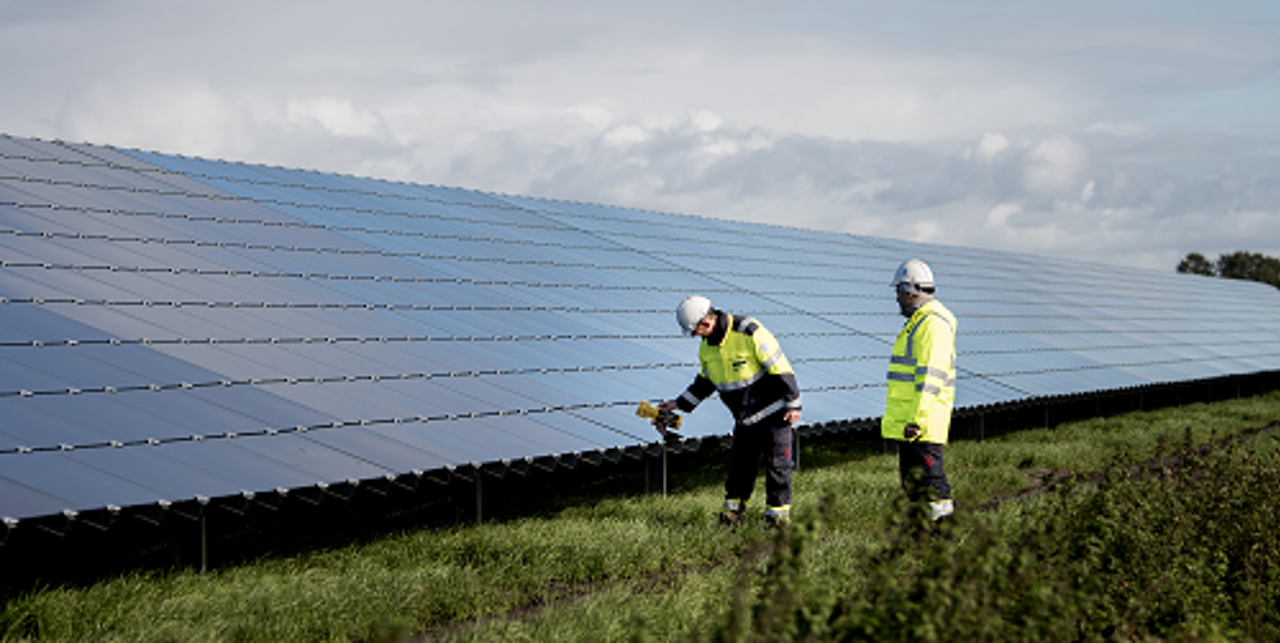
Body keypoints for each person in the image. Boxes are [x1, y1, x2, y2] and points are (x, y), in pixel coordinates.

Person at [655, 296, 802, 526]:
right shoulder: (706, 348)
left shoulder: (748, 331)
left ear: (705, 322)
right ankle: (733, 516)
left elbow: (779, 367)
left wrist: (793, 404)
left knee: (778, 468)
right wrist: (678, 404)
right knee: (740, 469)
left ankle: (777, 523)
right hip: (745, 420)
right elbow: (705, 383)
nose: (694, 336)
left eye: (694, 330)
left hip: (774, 414)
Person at [882, 258, 957, 521]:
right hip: (911, 422)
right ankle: (919, 534)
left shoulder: (932, 324)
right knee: (913, 483)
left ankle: (943, 533)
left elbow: (930, 378)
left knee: (931, 482)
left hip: (920, 423)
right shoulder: (920, 321)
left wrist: (917, 419)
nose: (897, 298)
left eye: (898, 291)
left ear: (910, 290)